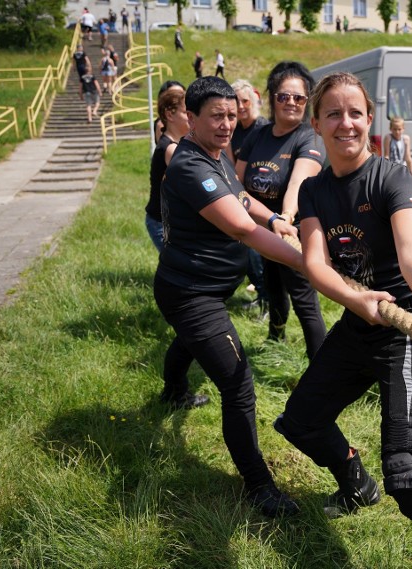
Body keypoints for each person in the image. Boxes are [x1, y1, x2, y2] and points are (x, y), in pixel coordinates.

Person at [273, 70, 412, 569]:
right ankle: (356, 484)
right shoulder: (316, 191)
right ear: (317, 124)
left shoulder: (391, 177)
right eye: (334, 114)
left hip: (407, 333)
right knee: (300, 422)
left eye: (356, 113)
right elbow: (315, 262)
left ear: (370, 120)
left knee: (409, 474)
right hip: (359, 326)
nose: (347, 123)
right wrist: (356, 301)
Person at [154, 76, 303, 517]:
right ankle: (259, 486)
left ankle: (174, 391)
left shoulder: (216, 156)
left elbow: (243, 198)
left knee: (189, 342)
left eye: (231, 116)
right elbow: (239, 226)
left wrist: (276, 216)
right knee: (237, 384)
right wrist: (305, 262)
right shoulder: (188, 166)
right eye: (215, 116)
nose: (225, 124)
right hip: (189, 292)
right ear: (191, 118)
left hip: (208, 289)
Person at [235, 61, 328, 359]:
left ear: (307, 102)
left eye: (299, 97)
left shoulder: (309, 138)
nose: (291, 102)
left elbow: (299, 185)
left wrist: (285, 217)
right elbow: (237, 181)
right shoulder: (258, 134)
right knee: (274, 289)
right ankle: (275, 340)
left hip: (293, 234)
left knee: (305, 301)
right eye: (284, 96)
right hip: (263, 231)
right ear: (272, 97)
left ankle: (321, 365)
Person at [231, 79, 271, 313]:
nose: (241, 106)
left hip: (263, 201)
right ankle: (263, 296)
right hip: (241, 198)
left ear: (254, 101)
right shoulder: (234, 129)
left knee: (258, 253)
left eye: (245, 101)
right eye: (237, 101)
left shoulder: (263, 128)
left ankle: (268, 301)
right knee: (249, 253)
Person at [146, 88, 190, 251]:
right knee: (181, 269)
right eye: (186, 113)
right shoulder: (170, 149)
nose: (191, 117)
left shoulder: (178, 144)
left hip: (169, 222)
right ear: (169, 115)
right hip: (162, 224)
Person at [383, 117, 412, 181]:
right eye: (394, 129)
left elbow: (408, 158)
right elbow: (386, 156)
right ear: (390, 129)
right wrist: (384, 172)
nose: (397, 132)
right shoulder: (388, 138)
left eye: (399, 129)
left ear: (403, 129)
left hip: (402, 169)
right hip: (391, 170)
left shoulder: (406, 139)